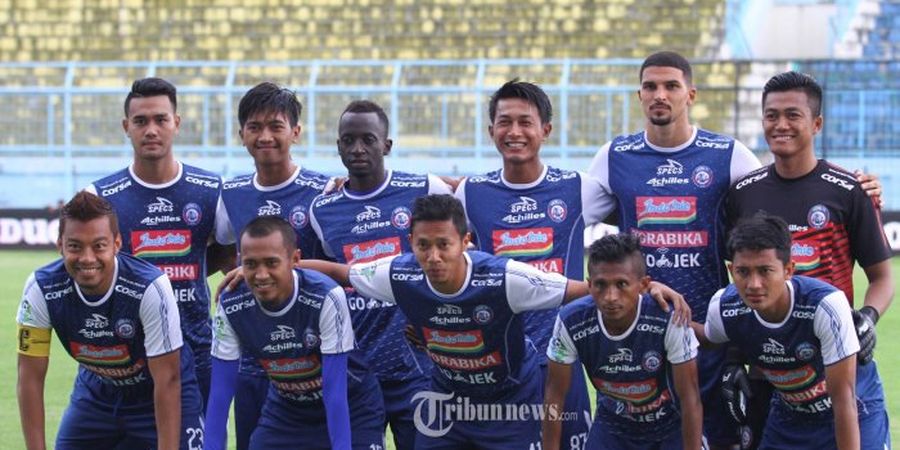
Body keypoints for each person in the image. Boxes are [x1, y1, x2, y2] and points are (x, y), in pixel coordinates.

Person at [284, 194, 688, 448]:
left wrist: (651, 289)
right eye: (423, 246)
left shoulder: (505, 278)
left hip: (509, 403)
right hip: (447, 400)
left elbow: (582, 288)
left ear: (466, 243)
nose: (434, 256)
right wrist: (283, 269)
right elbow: (341, 272)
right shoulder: (399, 273)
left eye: (444, 244)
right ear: (412, 245)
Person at [586, 50, 762, 448]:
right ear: (639, 95)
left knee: (712, 438)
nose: (659, 94)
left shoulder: (728, 155)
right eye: (650, 86)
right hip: (635, 335)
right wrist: (462, 189)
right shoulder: (615, 156)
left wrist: (853, 184)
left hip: (707, 337)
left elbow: (776, 200)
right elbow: (562, 208)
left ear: (691, 95)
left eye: (671, 86)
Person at [724, 71, 894, 449]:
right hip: (776, 374)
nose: (780, 125)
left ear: (816, 123)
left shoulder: (850, 191)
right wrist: (736, 356)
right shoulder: (743, 194)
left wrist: (867, 318)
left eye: (792, 115)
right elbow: (735, 278)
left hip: (840, 361)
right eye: (771, 115)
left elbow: (882, 277)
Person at [455, 79, 613, 448]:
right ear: (491, 129)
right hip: (499, 361)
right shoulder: (470, 193)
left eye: (525, 122)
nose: (514, 132)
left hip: (563, 355)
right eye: (504, 122)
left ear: (546, 130)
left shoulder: (579, 188)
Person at [308, 100, 449, 450]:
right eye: (348, 140)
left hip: (416, 366)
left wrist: (436, 317)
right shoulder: (322, 210)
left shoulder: (422, 189)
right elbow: (322, 283)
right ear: (338, 145)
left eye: (368, 139)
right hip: (356, 368)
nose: (358, 148)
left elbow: (463, 245)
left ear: (386, 145)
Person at [16, 191, 203, 449]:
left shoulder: (149, 287)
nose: (87, 258)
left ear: (116, 244)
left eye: (99, 246)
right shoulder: (41, 288)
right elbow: (29, 378)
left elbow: (167, 380)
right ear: (60, 244)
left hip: (157, 395)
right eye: (75, 246)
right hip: (96, 394)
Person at [694, 213, 889, 449]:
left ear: (789, 270)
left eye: (765, 271)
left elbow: (843, 400)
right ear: (731, 269)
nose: (753, 284)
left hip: (855, 408)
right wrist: (667, 311)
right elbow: (707, 338)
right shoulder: (724, 306)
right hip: (790, 412)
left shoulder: (825, 306)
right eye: (743, 272)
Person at [87, 77, 225, 407]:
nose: (151, 129)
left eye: (161, 119)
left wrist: (177, 277)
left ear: (176, 123)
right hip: (125, 357)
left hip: (194, 353)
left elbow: (228, 255)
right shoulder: (102, 196)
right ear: (126, 126)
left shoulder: (210, 190)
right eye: (141, 121)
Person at [213, 81, 333, 450]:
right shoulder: (230, 195)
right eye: (255, 127)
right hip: (254, 357)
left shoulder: (324, 190)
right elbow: (221, 253)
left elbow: (339, 266)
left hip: (311, 358)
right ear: (241, 135)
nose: (265, 136)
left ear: (295, 132)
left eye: (275, 126)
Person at [206, 216, 385, 450]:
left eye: (271, 263)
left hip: (352, 408)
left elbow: (335, 392)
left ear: (295, 260)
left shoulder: (325, 295)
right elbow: (220, 393)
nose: (261, 275)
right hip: (287, 412)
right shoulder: (231, 303)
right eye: (250, 264)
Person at [543, 233, 702, 450]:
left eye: (621, 284)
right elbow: (554, 397)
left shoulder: (669, 318)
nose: (610, 296)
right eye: (600, 285)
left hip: (670, 426)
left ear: (643, 285)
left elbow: (690, 399)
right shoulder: (570, 321)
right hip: (613, 425)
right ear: (589, 285)